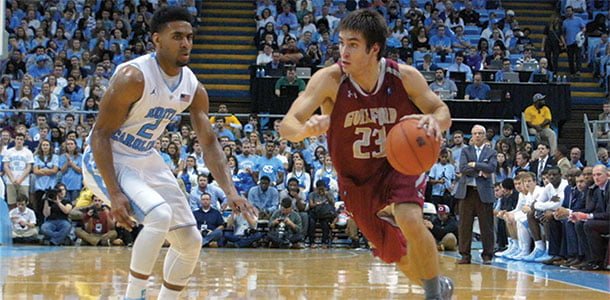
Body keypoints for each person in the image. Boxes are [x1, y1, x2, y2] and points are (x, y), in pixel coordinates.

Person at [279, 9, 454, 299]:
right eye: (341, 43)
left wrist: (435, 121)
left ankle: (433, 295)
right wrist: (305, 131)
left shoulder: (404, 77)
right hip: (356, 179)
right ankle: (437, 286)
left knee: (410, 217)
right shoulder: (330, 80)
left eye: (353, 44)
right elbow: (288, 125)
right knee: (397, 256)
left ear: (374, 49)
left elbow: (441, 110)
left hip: (399, 165)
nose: (343, 52)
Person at [82, 7, 252, 300]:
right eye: (177, 37)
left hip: (145, 156)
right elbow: (100, 134)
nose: (185, 43)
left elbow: (209, 144)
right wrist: (114, 192)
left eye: (189, 37)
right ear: (157, 40)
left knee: (190, 240)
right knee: (159, 215)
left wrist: (231, 191)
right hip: (109, 156)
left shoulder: (193, 87)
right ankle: (133, 295)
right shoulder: (133, 77)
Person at [454, 124, 497, 265]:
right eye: (475, 133)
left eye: (480, 133)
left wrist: (475, 165)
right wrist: (480, 170)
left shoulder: (491, 152)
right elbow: (463, 168)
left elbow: (491, 167)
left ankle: (487, 255)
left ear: (484, 136)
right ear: (471, 136)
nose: (477, 136)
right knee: (465, 226)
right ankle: (465, 255)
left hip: (484, 193)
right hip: (467, 192)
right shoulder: (466, 151)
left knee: (487, 226)